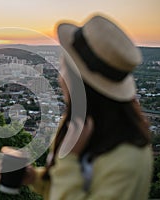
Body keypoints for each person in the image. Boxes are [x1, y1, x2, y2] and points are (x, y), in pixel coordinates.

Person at [22, 14, 153, 199]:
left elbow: (68, 183)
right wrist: (34, 178)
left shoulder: (128, 159)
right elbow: (65, 189)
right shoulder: (80, 125)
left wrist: (68, 159)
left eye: (62, 68)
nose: (59, 78)